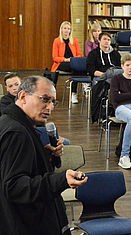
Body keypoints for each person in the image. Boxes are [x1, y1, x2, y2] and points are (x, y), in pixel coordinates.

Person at [0, 76, 87, 234]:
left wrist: (43, 156)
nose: (50, 107)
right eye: (45, 99)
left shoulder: (13, 123)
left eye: (53, 101)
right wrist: (61, 179)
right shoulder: (16, 132)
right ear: (23, 96)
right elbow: (14, 187)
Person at [51, 21, 82, 103]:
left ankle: (73, 94)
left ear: (70, 31)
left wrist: (72, 60)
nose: (66, 30)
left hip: (73, 63)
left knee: (76, 68)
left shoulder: (74, 40)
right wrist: (65, 59)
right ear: (61, 30)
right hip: (61, 63)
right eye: (65, 28)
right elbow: (55, 57)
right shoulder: (57, 41)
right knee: (76, 68)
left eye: (68, 29)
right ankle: (78, 89)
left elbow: (79, 55)